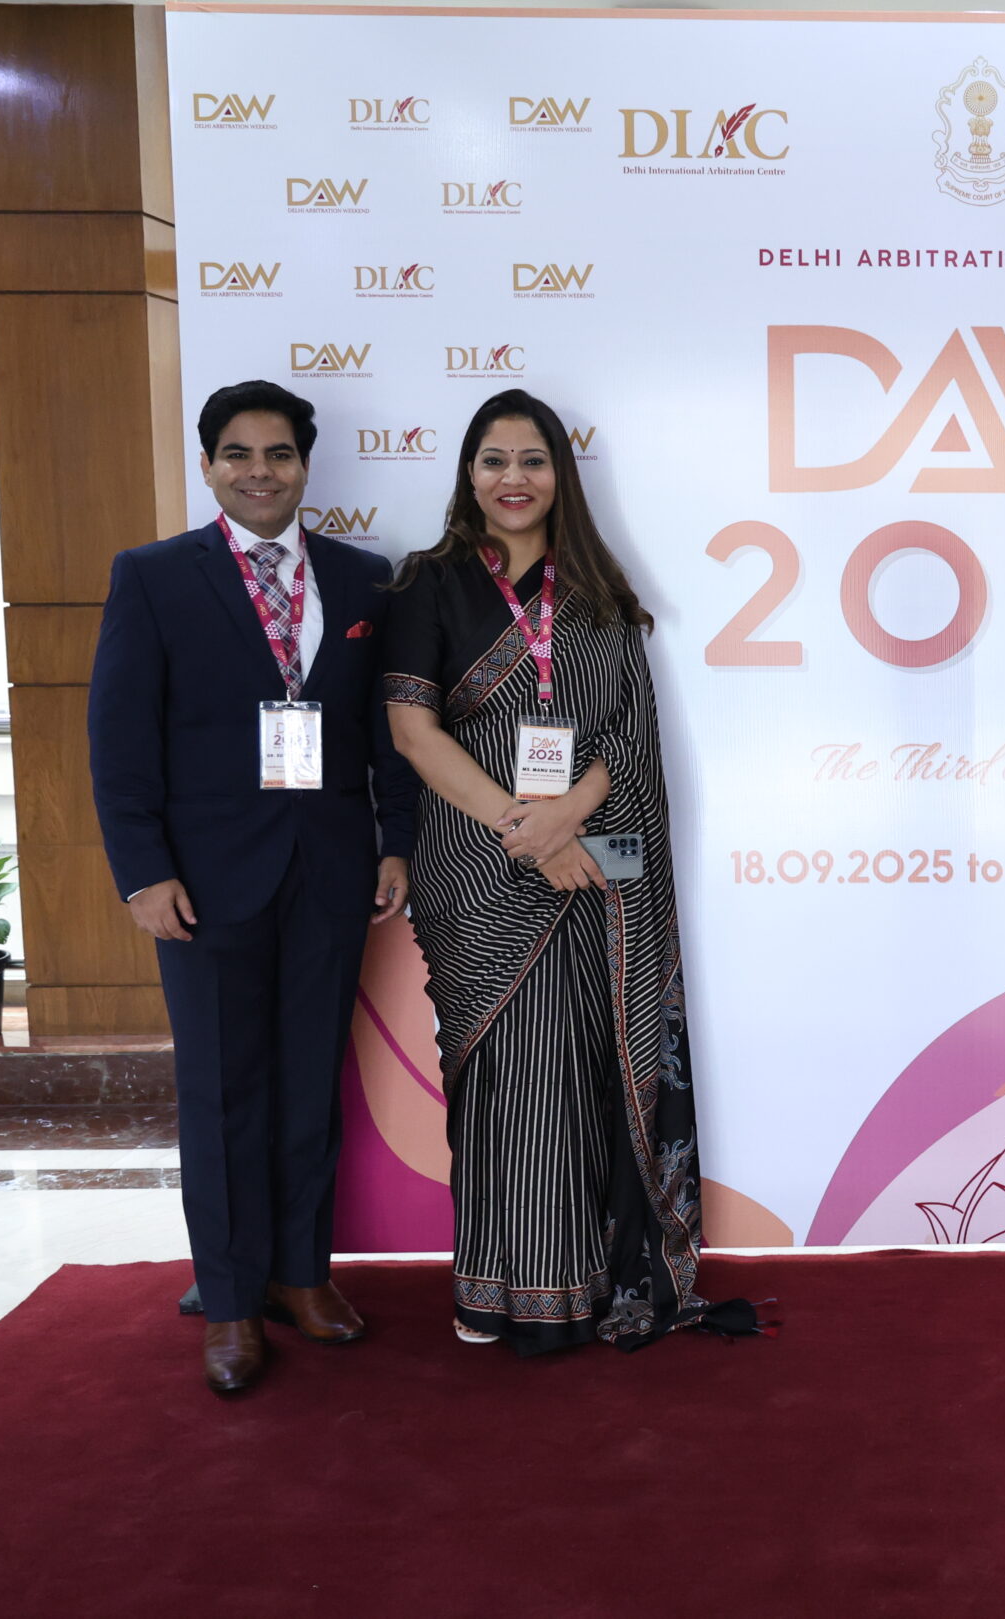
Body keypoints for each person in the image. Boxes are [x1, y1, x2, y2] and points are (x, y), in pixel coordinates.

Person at [382, 389, 756, 1354]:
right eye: (494, 460)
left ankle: (582, 1285)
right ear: (468, 473)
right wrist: (526, 827)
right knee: (510, 1078)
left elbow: (629, 734)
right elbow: (414, 732)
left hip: (591, 863)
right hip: (480, 869)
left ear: (561, 474)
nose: (514, 478)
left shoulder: (595, 590)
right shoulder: (428, 583)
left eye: (533, 459)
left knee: (582, 1074)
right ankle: (495, 1292)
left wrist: (565, 819)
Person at [87, 379, 417, 1396]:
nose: (259, 471)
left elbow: (385, 733)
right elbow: (119, 739)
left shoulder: (364, 579)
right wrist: (143, 873)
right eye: (238, 453)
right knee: (223, 1090)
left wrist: (396, 842)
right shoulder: (153, 576)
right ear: (208, 465)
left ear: (305, 466)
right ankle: (230, 1301)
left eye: (279, 453)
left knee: (309, 1082)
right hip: (204, 881)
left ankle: (301, 1275)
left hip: (330, 869)